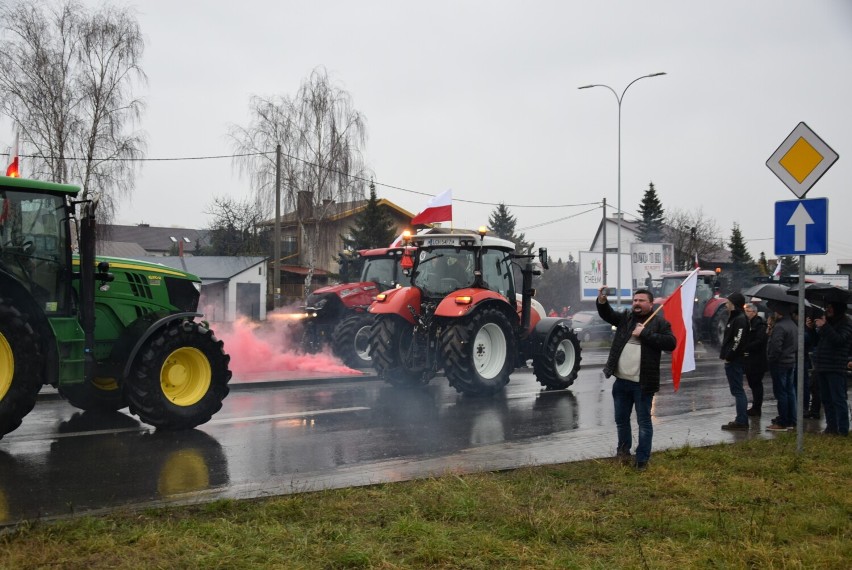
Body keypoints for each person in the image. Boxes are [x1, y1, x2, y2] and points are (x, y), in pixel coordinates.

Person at [596, 286, 676, 471]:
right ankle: (623, 453)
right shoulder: (626, 318)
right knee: (621, 421)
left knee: (644, 423)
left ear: (651, 304)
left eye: (641, 301)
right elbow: (607, 314)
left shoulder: (660, 323)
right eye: (635, 300)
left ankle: (642, 461)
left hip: (643, 384)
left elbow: (671, 343)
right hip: (621, 382)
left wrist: (645, 333)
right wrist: (602, 301)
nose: (637, 303)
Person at [812, 301, 852, 436]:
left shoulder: (846, 323)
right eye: (826, 307)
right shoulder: (828, 322)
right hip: (822, 365)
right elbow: (816, 341)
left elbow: (839, 340)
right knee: (826, 399)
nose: (827, 309)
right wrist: (811, 328)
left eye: (830, 307)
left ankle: (842, 429)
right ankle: (831, 427)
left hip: (835, 366)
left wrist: (825, 327)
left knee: (838, 399)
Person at [765, 301, 798, 432]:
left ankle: (783, 421)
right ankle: (792, 419)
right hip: (791, 362)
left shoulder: (779, 327)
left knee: (781, 393)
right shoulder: (793, 325)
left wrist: (770, 360)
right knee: (790, 391)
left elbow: (775, 348)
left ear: (779, 312)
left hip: (780, 364)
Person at [720, 292, 749, 430]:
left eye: (728, 302)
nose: (726, 304)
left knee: (738, 391)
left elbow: (738, 340)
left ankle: (741, 421)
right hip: (732, 359)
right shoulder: (734, 318)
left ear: (733, 304)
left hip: (735, 360)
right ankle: (741, 419)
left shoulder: (740, 319)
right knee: (736, 390)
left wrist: (729, 356)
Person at [742, 302, 767, 417]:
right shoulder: (748, 323)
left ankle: (757, 408)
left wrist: (746, 346)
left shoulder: (759, 324)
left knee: (756, 384)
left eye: (748, 311)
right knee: (752, 383)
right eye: (745, 311)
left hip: (757, 360)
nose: (746, 313)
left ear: (755, 312)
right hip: (750, 359)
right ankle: (755, 407)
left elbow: (760, 341)